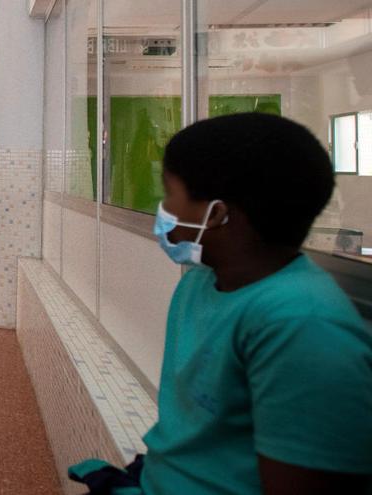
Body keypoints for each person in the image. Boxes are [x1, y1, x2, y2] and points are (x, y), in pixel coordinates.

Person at [69, 113, 372, 494]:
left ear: (216, 213)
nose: (162, 211)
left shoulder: (304, 327)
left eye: (170, 194)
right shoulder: (201, 282)